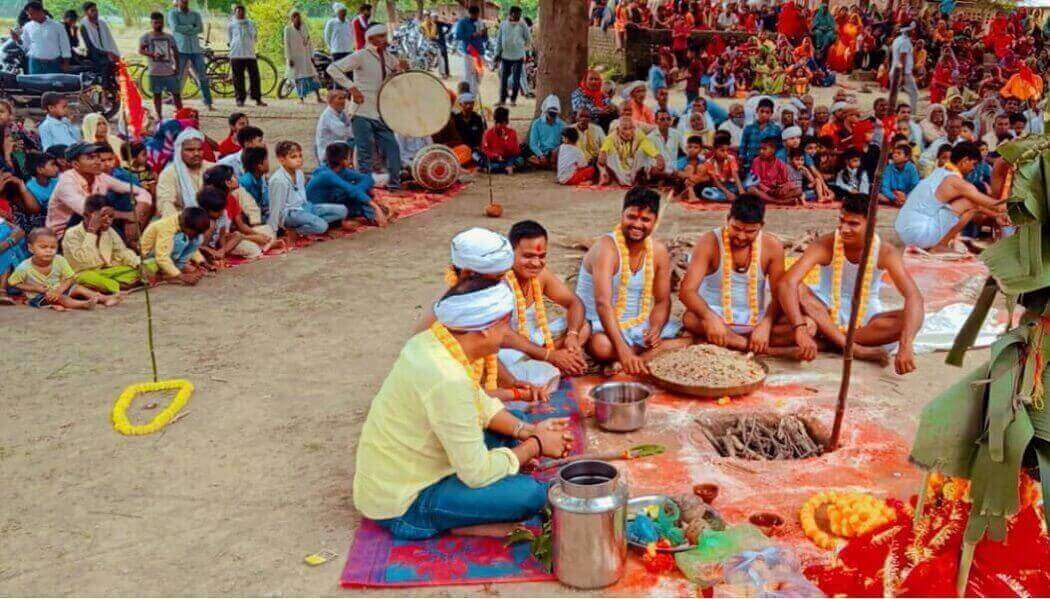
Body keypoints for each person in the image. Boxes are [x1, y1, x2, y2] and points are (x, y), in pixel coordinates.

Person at [354, 275, 572, 541]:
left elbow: (478, 402)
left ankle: (466, 507)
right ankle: (445, 520)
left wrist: (527, 430)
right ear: (484, 329)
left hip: (412, 467)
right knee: (531, 494)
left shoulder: (433, 341)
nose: (508, 334)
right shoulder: (447, 379)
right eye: (505, 326)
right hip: (404, 503)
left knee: (512, 420)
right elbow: (476, 473)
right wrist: (535, 445)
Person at [778, 193, 923, 374]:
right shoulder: (826, 243)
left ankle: (829, 341)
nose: (844, 229)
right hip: (823, 309)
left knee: (907, 322)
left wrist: (906, 344)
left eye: (853, 224)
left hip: (864, 318)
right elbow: (787, 283)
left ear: (871, 223)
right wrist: (800, 328)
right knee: (795, 287)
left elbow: (913, 296)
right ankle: (854, 348)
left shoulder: (885, 251)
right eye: (842, 221)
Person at [680, 192, 806, 356]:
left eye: (749, 231)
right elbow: (687, 291)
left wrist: (766, 324)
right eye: (736, 228)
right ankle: (767, 350)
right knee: (690, 318)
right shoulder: (709, 241)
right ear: (727, 219)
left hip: (755, 320)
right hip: (715, 315)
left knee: (807, 325)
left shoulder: (772, 246)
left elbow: (778, 295)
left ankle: (730, 342)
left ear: (761, 226)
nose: (741, 236)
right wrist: (709, 318)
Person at [575, 187, 686, 375]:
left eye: (645, 220)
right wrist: (623, 350)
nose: (637, 224)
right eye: (632, 217)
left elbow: (662, 301)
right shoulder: (606, 248)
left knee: (688, 333)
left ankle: (632, 360)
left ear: (655, 222)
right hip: (599, 325)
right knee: (601, 346)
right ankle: (640, 356)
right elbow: (603, 305)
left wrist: (655, 329)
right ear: (622, 215)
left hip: (637, 326)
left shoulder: (658, 251)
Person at [500, 220, 590, 388]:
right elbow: (501, 336)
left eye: (541, 256)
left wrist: (572, 335)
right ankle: (557, 364)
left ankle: (562, 360)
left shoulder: (541, 275)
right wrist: (550, 356)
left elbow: (574, 303)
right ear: (510, 253)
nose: (536, 263)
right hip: (508, 350)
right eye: (528, 256)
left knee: (583, 326)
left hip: (537, 340)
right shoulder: (500, 282)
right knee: (539, 379)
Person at [327, 24, 406, 190]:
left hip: (381, 112)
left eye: (386, 36)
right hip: (362, 111)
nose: (385, 40)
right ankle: (365, 189)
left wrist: (402, 69)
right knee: (365, 153)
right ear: (371, 38)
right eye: (381, 36)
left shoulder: (389, 57)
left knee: (392, 148)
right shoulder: (361, 56)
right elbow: (333, 68)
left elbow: (398, 76)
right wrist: (352, 88)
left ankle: (394, 184)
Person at [895, 142, 1006, 253]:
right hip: (919, 234)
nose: (973, 168)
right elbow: (993, 205)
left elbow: (980, 206)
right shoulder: (956, 182)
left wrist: (996, 216)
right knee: (969, 203)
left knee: (969, 203)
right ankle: (940, 246)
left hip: (904, 230)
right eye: (974, 164)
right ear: (965, 161)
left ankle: (936, 243)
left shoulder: (939, 171)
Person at [47, 142, 151, 239]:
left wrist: (134, 218)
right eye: (91, 158)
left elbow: (143, 193)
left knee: (126, 196)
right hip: (65, 235)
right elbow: (88, 212)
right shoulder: (66, 182)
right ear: (76, 165)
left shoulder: (100, 176)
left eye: (97, 157)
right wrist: (126, 216)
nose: (98, 162)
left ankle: (128, 242)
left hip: (97, 226)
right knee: (93, 210)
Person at [62, 194, 153, 295]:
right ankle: (121, 286)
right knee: (85, 278)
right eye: (102, 216)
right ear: (86, 215)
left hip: (109, 271)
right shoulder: (72, 234)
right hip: (84, 273)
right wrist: (92, 231)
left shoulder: (109, 231)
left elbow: (122, 252)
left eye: (111, 216)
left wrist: (139, 264)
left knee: (151, 264)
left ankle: (113, 286)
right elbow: (84, 262)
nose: (108, 220)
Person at [9, 226, 118, 309]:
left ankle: (104, 298)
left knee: (78, 288)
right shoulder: (24, 267)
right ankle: (83, 304)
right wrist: (35, 288)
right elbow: (14, 283)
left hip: (59, 289)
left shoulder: (59, 260)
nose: (49, 250)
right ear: (31, 248)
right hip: (39, 296)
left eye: (53, 247)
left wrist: (60, 289)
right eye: (43, 247)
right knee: (62, 299)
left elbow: (70, 277)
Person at [268, 140, 348, 236]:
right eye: (293, 157)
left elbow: (302, 198)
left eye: (300, 156)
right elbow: (276, 208)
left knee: (343, 210)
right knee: (322, 226)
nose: (299, 160)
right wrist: (274, 230)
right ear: (282, 160)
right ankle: (295, 232)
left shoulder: (299, 173)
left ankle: (310, 223)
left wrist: (308, 210)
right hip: (290, 214)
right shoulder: (278, 180)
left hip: (305, 207)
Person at [306, 142, 384, 227]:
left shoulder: (341, 170)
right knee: (349, 206)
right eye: (349, 157)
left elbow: (368, 179)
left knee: (360, 195)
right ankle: (339, 222)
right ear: (344, 160)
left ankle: (368, 214)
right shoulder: (326, 174)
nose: (351, 160)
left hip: (333, 201)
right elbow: (351, 189)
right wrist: (375, 207)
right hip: (317, 208)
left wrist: (358, 190)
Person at [140, 206, 209, 285]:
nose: (194, 235)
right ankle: (168, 274)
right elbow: (162, 258)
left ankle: (176, 269)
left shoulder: (183, 221)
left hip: (162, 253)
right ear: (187, 226)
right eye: (194, 232)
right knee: (181, 240)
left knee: (197, 239)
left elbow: (192, 247)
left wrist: (201, 261)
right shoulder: (167, 227)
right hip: (149, 258)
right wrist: (182, 277)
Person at [155, 129, 213, 217]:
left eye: (199, 149)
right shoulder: (169, 174)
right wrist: (187, 223)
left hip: (214, 220)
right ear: (179, 151)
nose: (196, 153)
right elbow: (165, 203)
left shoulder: (213, 168)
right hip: (183, 221)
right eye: (190, 150)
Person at [168, 0, 213, 110]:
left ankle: (208, 103)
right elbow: (175, 28)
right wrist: (191, 27)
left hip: (195, 50)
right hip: (181, 49)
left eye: (186, 1)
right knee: (178, 77)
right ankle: (176, 103)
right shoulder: (173, 13)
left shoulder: (195, 14)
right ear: (178, 2)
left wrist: (185, 28)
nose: (184, 2)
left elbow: (200, 29)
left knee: (202, 76)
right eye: (182, 1)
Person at [139, 12, 182, 119]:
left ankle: (181, 115)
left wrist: (177, 67)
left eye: (160, 22)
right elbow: (141, 50)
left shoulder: (169, 37)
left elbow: (176, 52)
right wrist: (152, 54)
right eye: (156, 22)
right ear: (151, 23)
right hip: (154, 71)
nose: (158, 25)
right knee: (157, 94)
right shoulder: (146, 37)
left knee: (176, 94)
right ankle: (159, 116)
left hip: (169, 71)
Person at [597, 117, 664, 186]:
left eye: (631, 128)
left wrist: (658, 156)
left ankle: (638, 180)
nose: (628, 132)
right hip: (620, 170)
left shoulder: (638, 134)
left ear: (634, 128)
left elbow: (647, 145)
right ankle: (612, 179)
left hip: (634, 169)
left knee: (643, 152)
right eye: (625, 128)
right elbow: (605, 147)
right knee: (609, 154)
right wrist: (603, 153)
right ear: (618, 129)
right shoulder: (612, 137)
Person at [14, 2, 71, 75]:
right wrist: (17, 39)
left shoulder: (57, 26)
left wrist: (66, 63)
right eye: (28, 14)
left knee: (53, 85)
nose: (29, 17)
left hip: (53, 64)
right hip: (34, 63)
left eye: (31, 14)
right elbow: (26, 46)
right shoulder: (27, 26)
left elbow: (65, 45)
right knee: (34, 85)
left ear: (40, 11)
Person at [227, 4, 265, 108]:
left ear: (244, 12)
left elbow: (254, 36)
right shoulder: (231, 24)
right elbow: (230, 39)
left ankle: (257, 98)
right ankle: (240, 99)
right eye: (238, 11)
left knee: (255, 77)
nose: (240, 13)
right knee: (238, 78)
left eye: (242, 11)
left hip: (249, 54)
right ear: (235, 13)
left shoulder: (250, 23)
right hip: (236, 54)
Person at [495, 6, 531, 107]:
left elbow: (528, 39)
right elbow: (499, 40)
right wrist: (497, 53)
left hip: (518, 57)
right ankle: (502, 100)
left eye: (519, 14)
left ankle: (513, 100)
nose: (518, 16)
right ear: (511, 14)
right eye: (516, 14)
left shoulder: (523, 25)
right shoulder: (503, 24)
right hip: (505, 56)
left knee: (516, 79)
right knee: (503, 79)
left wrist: (521, 48)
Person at [748, 138, 801, 205]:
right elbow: (756, 181)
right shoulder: (756, 161)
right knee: (751, 189)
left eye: (764, 149)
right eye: (760, 149)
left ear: (772, 150)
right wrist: (768, 190)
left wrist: (782, 187)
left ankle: (771, 200)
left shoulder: (780, 163)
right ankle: (780, 202)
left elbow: (786, 181)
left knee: (798, 190)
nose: (761, 151)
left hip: (776, 191)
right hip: (764, 191)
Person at [284, 10, 323, 104]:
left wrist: (312, 55)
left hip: (306, 57)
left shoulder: (304, 27)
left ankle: (318, 97)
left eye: (299, 17)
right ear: (292, 19)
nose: (298, 19)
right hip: (295, 58)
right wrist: (289, 58)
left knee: (312, 76)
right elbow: (286, 44)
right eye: (295, 17)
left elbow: (309, 42)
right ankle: (301, 98)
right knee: (298, 78)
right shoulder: (288, 29)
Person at [739, 98, 782, 172]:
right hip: (751, 164)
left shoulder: (776, 129)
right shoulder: (749, 128)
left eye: (767, 112)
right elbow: (743, 147)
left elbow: (779, 147)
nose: (763, 114)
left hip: (769, 165)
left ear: (771, 113)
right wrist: (742, 161)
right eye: (761, 111)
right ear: (757, 110)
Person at [453, 5, 487, 96]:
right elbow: (458, 36)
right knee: (469, 74)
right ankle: (470, 95)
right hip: (469, 52)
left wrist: (484, 33)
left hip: (480, 51)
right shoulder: (462, 23)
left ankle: (474, 89)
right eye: (474, 15)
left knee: (480, 73)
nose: (476, 16)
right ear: (470, 14)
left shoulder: (481, 22)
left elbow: (485, 38)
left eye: (477, 14)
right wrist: (472, 35)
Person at [527, 95, 566, 170]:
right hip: (542, 152)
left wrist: (556, 152)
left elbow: (565, 143)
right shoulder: (537, 123)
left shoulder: (562, 125)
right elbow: (533, 144)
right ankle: (547, 164)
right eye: (550, 113)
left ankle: (548, 164)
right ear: (545, 111)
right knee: (524, 151)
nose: (552, 117)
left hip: (557, 153)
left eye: (554, 114)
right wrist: (540, 155)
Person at [314, 89, 353, 163]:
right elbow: (344, 132)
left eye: (344, 98)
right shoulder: (328, 115)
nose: (343, 101)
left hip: (337, 148)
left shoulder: (341, 113)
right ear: (330, 101)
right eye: (340, 98)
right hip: (328, 153)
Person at [79, 1, 119, 72]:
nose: (96, 12)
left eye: (96, 10)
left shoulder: (102, 23)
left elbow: (110, 40)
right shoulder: (84, 26)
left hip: (107, 53)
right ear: (86, 13)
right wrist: (107, 53)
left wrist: (115, 52)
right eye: (92, 10)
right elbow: (90, 46)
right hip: (95, 55)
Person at [700, 136, 743, 202]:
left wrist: (741, 190)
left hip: (732, 186)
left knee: (746, 185)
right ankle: (732, 198)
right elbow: (716, 181)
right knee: (705, 192)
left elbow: (735, 175)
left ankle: (733, 197)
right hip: (720, 188)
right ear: (714, 150)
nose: (726, 153)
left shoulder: (731, 158)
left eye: (727, 150)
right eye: (722, 150)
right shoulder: (709, 162)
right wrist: (727, 193)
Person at [889, 25, 919, 116]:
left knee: (894, 94)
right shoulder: (905, 42)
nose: (913, 31)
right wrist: (902, 75)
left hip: (895, 70)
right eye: (912, 30)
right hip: (903, 72)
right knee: (914, 94)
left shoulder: (897, 40)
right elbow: (902, 57)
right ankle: (912, 115)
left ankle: (892, 114)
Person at [481, 106, 520, 174]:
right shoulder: (488, 133)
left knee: (520, 160)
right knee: (482, 160)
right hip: (494, 159)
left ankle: (507, 167)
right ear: (495, 122)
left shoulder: (512, 132)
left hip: (509, 158)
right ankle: (508, 167)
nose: (500, 125)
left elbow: (515, 151)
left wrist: (505, 140)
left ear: (506, 122)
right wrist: (495, 156)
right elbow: (485, 149)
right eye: (498, 123)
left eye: (502, 123)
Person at [646, 109, 682, 181]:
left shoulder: (677, 134)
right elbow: (650, 160)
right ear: (656, 121)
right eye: (662, 119)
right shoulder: (650, 138)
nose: (666, 122)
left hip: (673, 168)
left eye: (668, 119)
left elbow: (686, 148)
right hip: (659, 169)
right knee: (653, 170)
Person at [238, 146, 271, 224]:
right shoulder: (245, 182)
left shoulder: (260, 178)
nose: (268, 162)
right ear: (259, 166)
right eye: (266, 159)